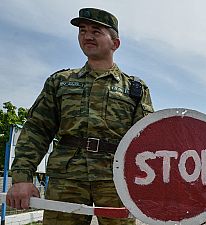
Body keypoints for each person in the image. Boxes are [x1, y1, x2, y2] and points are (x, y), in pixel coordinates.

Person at [6, 8, 154, 225]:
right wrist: (21, 177)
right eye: (82, 30)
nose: (87, 35)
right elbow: (37, 129)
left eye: (96, 31)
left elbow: (146, 142)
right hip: (67, 178)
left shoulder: (135, 88)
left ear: (115, 43)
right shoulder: (60, 82)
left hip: (115, 180)